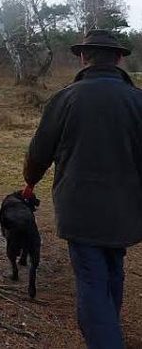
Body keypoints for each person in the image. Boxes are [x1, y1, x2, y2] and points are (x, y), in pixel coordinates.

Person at [23, 29, 142, 349]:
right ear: (118, 59)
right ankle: (108, 330)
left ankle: (105, 338)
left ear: (82, 58)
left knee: (91, 278)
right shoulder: (138, 101)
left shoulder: (65, 99)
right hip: (126, 208)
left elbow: (38, 152)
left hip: (79, 207)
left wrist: (30, 181)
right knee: (113, 267)